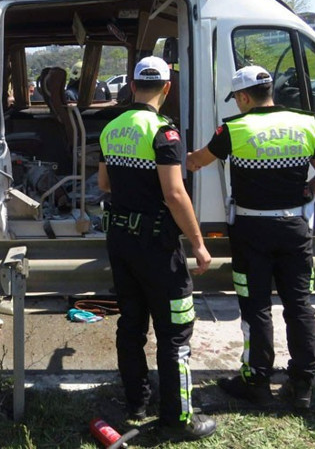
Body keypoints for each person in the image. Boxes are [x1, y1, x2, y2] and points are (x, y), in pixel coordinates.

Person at [186, 65, 315, 409]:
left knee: (256, 307)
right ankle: (302, 384)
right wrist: (305, 195)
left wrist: (180, 156)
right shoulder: (306, 123)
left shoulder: (234, 129)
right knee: (299, 305)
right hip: (295, 228)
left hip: (251, 232)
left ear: (242, 97)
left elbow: (197, 162)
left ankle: (256, 381)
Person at [98, 56, 216, 441]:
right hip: (157, 248)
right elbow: (174, 194)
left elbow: (104, 185)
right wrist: (198, 244)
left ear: (132, 86)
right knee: (175, 331)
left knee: (131, 324)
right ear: (166, 88)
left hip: (120, 241)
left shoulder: (111, 128)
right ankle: (177, 420)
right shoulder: (164, 134)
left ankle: (136, 403)